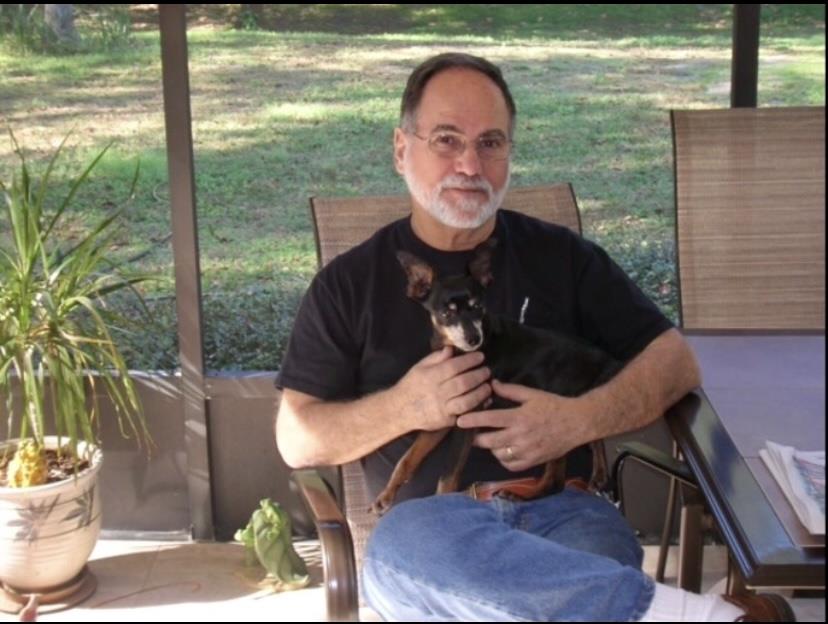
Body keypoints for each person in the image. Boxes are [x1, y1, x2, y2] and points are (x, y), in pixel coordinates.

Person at [276, 53, 794, 622]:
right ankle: (708, 617)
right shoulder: (349, 284)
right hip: (435, 524)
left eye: (491, 143)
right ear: (402, 149)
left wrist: (577, 421)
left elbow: (676, 364)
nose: (470, 163)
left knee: (574, 584)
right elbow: (298, 440)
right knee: (401, 557)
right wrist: (406, 406)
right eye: (447, 139)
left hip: (566, 511)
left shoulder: (563, 258)